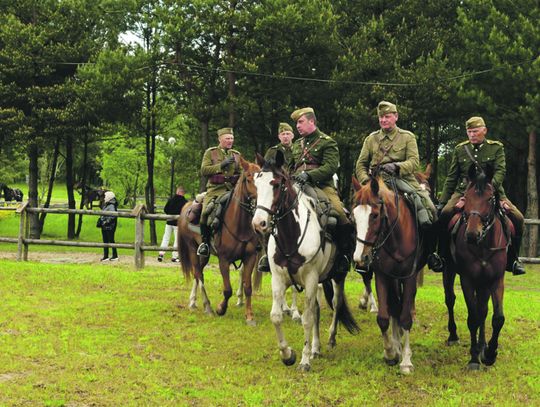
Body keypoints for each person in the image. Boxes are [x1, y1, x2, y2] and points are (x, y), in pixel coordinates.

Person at [431, 116, 525, 275]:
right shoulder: (460, 149)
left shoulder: (496, 148)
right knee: (445, 213)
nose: (472, 135)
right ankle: (441, 256)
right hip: (464, 191)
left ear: (484, 130)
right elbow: (452, 177)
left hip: (493, 191)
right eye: (469, 132)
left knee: (518, 217)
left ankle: (513, 259)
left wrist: (491, 189)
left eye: (475, 131)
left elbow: (500, 171)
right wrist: (442, 202)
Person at [355, 101, 438, 272]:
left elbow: (414, 162)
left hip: (404, 180)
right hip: (376, 183)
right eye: (381, 117)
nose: (383, 120)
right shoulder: (371, 139)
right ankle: (358, 256)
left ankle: (430, 254)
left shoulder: (407, 137)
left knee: (429, 210)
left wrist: (397, 167)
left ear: (395, 117)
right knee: (358, 214)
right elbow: (361, 164)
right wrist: (366, 182)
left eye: (387, 116)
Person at [289, 107, 353, 274]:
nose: (297, 126)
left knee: (341, 215)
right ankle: (270, 255)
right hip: (297, 185)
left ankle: (343, 257)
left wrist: (309, 175)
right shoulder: (296, 144)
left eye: (300, 122)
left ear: (312, 122)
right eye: (296, 123)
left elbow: (330, 167)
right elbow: (290, 167)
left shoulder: (327, 142)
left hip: (322, 186)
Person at [197, 127, 243, 257]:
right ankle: (204, 243)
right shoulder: (211, 153)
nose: (230, 141)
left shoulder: (236, 154)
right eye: (227, 138)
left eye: (232, 138)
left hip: (232, 190)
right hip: (215, 190)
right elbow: (204, 170)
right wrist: (221, 165)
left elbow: (241, 172)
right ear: (220, 139)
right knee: (205, 212)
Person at [258, 122, 295, 272]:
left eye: (288, 134)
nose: (285, 137)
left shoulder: (300, 149)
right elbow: (266, 171)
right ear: (279, 136)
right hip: (278, 188)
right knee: (268, 219)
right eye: (283, 134)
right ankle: (267, 254)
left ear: (292, 135)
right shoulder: (272, 151)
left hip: (297, 184)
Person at [158, 185, 187, 262]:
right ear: (183, 193)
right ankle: (174, 256)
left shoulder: (171, 200)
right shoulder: (184, 202)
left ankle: (161, 254)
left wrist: (170, 215)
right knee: (177, 240)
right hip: (178, 223)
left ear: (177, 191)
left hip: (169, 221)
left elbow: (165, 209)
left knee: (166, 238)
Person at [97, 191, 119, 262]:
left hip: (110, 226)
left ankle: (115, 256)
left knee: (111, 240)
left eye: (105, 196)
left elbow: (112, 216)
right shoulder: (106, 205)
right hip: (105, 225)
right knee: (105, 241)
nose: (104, 198)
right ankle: (106, 256)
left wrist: (106, 222)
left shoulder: (111, 205)